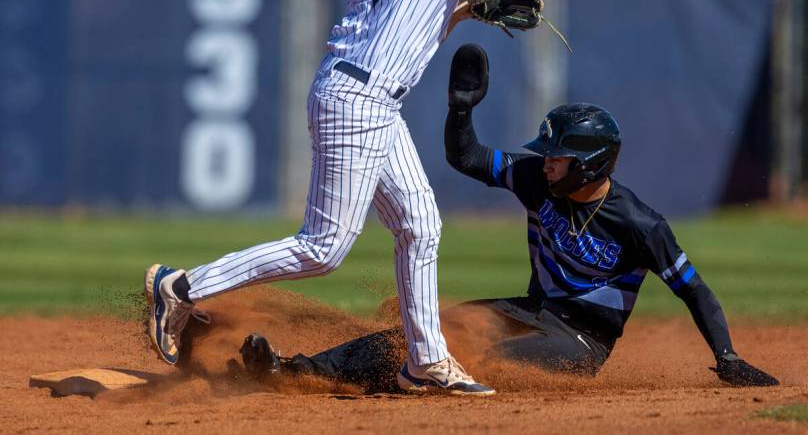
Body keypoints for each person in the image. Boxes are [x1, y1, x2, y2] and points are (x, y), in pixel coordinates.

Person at [146, 0, 669, 397]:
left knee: (420, 224)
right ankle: (183, 287)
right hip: (360, 103)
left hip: (363, 98)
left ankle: (425, 361)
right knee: (322, 247)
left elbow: (404, 38)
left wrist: (460, 14)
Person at [238, 45, 779, 393]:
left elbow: (694, 290)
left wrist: (726, 356)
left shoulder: (640, 223)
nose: (546, 161)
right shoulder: (534, 178)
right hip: (531, 308)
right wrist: (460, 111)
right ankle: (295, 371)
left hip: (580, 344)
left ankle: (401, 388)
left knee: (471, 351)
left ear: (590, 163)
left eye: (557, 154)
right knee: (426, 332)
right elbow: (467, 157)